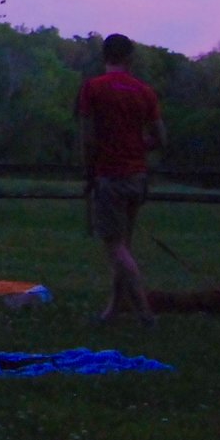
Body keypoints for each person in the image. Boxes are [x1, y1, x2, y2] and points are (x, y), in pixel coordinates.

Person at [75, 32, 167, 325]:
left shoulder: (93, 89)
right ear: (129, 58)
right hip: (137, 175)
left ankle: (143, 312)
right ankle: (113, 311)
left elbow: (88, 138)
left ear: (105, 56)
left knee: (114, 246)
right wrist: (137, 147)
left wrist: (90, 172)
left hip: (109, 175)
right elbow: (160, 138)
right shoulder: (145, 92)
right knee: (124, 243)